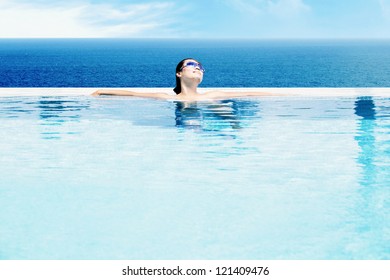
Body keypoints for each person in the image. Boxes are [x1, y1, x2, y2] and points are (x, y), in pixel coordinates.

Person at [92, 58, 276, 101]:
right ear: (179, 73)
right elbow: (133, 94)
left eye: (200, 67)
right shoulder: (168, 97)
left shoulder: (211, 95)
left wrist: (281, 96)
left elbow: (249, 93)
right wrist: (102, 91)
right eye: (191, 65)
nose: (197, 68)